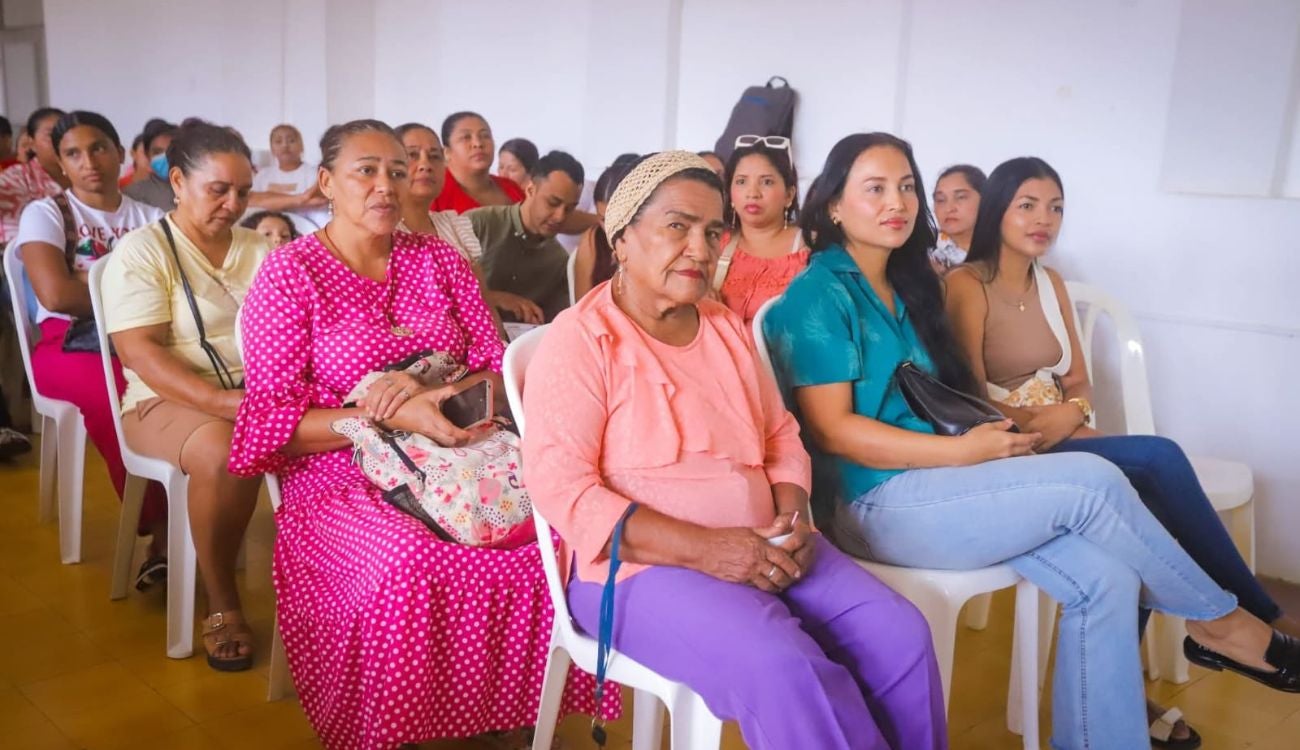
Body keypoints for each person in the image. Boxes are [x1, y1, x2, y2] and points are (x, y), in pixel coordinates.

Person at [762, 132, 1300, 750]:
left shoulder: (905, 286)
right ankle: (1223, 623)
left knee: (1107, 580)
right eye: (876, 189)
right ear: (833, 204)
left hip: (941, 486)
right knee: (1096, 480)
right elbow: (835, 431)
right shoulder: (819, 294)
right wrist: (965, 452)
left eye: (907, 186)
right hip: (873, 503)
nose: (899, 202)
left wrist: (988, 438)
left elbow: (936, 401)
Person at [523, 150, 946, 750]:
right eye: (677, 226)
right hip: (639, 571)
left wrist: (793, 514)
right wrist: (709, 550)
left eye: (712, 230)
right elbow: (564, 489)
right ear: (622, 237)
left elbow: (780, 436)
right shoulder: (582, 338)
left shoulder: (723, 328)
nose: (700, 247)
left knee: (898, 633)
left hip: (766, 544)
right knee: (783, 665)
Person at [228, 119, 611, 748]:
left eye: (396, 172)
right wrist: (382, 417)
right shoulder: (290, 275)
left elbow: (495, 366)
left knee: (554, 534)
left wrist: (439, 398)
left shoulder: (440, 262)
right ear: (327, 182)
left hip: (462, 453)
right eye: (366, 171)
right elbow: (271, 424)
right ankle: (391, 726)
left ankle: (510, 713)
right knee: (408, 560)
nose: (385, 186)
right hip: (338, 473)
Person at [945, 155, 1300, 748]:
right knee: (1158, 459)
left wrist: (1072, 415)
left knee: (1143, 501)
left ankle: (1132, 690)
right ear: (998, 210)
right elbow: (969, 400)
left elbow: (1079, 383)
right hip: (1007, 448)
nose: (1045, 219)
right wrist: (1049, 421)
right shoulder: (966, 284)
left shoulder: (1051, 282)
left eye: (1056, 207)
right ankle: (1254, 620)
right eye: (1028, 205)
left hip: (1064, 433)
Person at [104, 120, 271, 671]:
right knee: (225, 449)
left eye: (243, 192)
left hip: (252, 399)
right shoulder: (142, 252)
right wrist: (225, 403)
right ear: (177, 181)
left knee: (352, 436)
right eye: (217, 189)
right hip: (161, 401)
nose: (233, 203)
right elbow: (140, 353)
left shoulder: (262, 249)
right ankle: (223, 600)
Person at [16, 111, 168, 582]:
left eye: (99, 148)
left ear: (121, 152)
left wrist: (91, 279)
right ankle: (160, 533)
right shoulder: (47, 213)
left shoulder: (152, 217)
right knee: (114, 396)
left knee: (185, 387)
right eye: (73, 154)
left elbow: (173, 289)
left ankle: (198, 514)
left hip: (141, 336)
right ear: (60, 163)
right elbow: (56, 295)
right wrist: (133, 292)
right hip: (68, 345)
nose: (89, 162)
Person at [469, 150, 582, 323]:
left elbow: (557, 325)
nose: (560, 216)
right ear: (530, 189)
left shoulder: (558, 260)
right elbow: (432, 289)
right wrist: (492, 297)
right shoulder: (478, 224)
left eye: (569, 208)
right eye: (553, 203)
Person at [714, 136, 809, 323]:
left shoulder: (811, 249)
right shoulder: (715, 244)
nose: (752, 193)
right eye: (741, 182)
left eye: (766, 182)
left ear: (789, 195)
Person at [570, 153, 638, 302]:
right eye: (603, 219)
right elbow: (582, 308)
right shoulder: (594, 239)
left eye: (619, 219)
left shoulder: (654, 245)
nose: (611, 228)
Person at [430, 111, 524, 214]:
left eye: (485, 136)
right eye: (466, 137)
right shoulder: (433, 194)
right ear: (447, 152)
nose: (478, 143)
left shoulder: (511, 187)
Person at [0, 107, 69, 245]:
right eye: (51, 135)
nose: (60, 139)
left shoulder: (86, 173)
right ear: (31, 143)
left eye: (66, 133)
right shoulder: (15, 177)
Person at [248, 124, 327, 223]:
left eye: (291, 141)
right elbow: (250, 200)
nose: (285, 145)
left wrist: (268, 201)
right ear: (272, 149)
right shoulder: (262, 175)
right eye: (278, 141)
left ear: (301, 146)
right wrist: (301, 200)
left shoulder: (314, 173)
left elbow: (318, 201)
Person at [928, 164, 984, 273]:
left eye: (960, 197)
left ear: (985, 199)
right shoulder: (925, 258)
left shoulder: (1007, 252)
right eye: (940, 200)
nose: (949, 208)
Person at [123, 119, 179, 210]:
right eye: (157, 152)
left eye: (171, 150)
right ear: (148, 156)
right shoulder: (132, 195)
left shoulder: (199, 188)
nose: (165, 157)